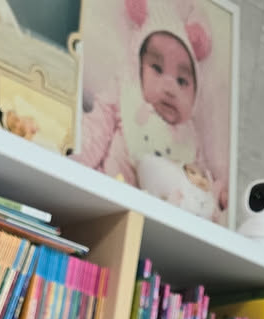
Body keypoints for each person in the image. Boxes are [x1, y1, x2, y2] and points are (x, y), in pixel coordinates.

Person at [78, 0, 227, 220]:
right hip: (108, 195)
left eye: (182, 81)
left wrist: (218, 198)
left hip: (160, 219)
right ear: (137, 68)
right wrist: (75, 158)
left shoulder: (190, 138)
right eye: (157, 68)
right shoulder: (125, 96)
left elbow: (200, 182)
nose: (170, 88)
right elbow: (95, 128)